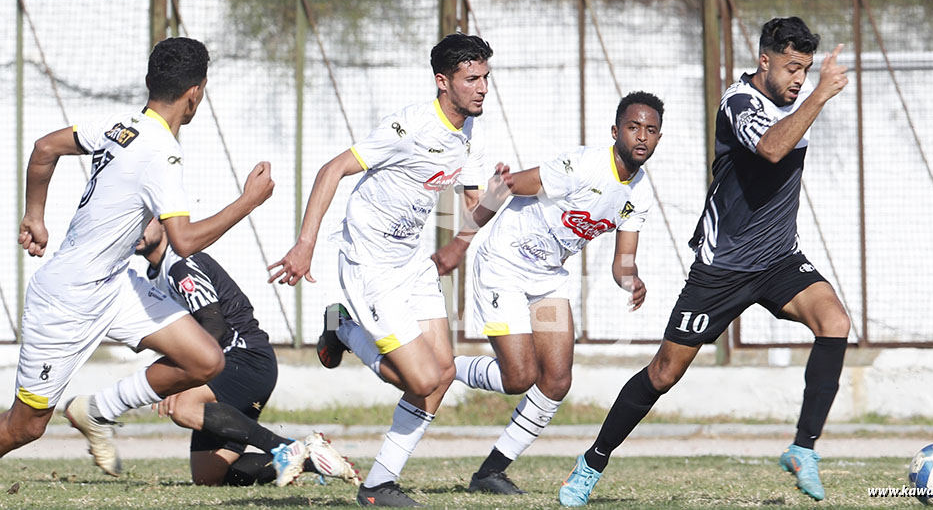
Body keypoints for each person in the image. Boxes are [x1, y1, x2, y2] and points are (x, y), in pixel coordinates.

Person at [558, 17, 850, 506]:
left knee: (835, 322)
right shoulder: (738, 102)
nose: (799, 79)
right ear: (765, 61)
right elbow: (772, 149)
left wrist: (811, 94)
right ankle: (592, 463)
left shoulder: (792, 102)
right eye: (792, 67)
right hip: (723, 268)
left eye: (806, 69)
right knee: (664, 374)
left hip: (778, 260)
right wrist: (819, 95)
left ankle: (803, 449)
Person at [1, 37, 274, 462]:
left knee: (205, 359)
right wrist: (248, 202)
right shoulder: (162, 152)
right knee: (25, 427)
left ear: (150, 81)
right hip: (66, 300)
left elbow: (44, 149)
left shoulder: (119, 126)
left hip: (113, 286)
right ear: (196, 92)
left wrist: (34, 216)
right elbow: (183, 242)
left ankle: (98, 410)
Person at [269, 33, 512, 507]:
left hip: (412, 264)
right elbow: (330, 170)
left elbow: (469, 208)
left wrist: (494, 202)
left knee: (439, 378)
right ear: (443, 82)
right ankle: (341, 327)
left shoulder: (472, 135)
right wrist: (305, 245)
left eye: (485, 77)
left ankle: (378, 484)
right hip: (370, 265)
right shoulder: (409, 126)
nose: (482, 88)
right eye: (471, 79)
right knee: (420, 380)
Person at [430, 91, 662, 495]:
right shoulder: (583, 166)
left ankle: (490, 472)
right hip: (504, 265)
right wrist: (460, 243)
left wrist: (632, 279)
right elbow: (505, 186)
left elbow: (623, 262)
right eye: (633, 126)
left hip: (548, 279)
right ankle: (443, 368)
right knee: (519, 377)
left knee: (555, 381)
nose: (642, 136)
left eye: (651, 130)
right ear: (615, 131)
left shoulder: (638, 192)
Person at [66, 218, 359, 488]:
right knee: (209, 475)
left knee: (183, 407)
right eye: (133, 222)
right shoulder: (155, 274)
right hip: (228, 362)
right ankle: (309, 459)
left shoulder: (180, 265)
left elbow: (214, 326)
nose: (138, 229)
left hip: (245, 358)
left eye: (146, 219)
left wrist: (179, 379)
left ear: (165, 221)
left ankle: (286, 447)